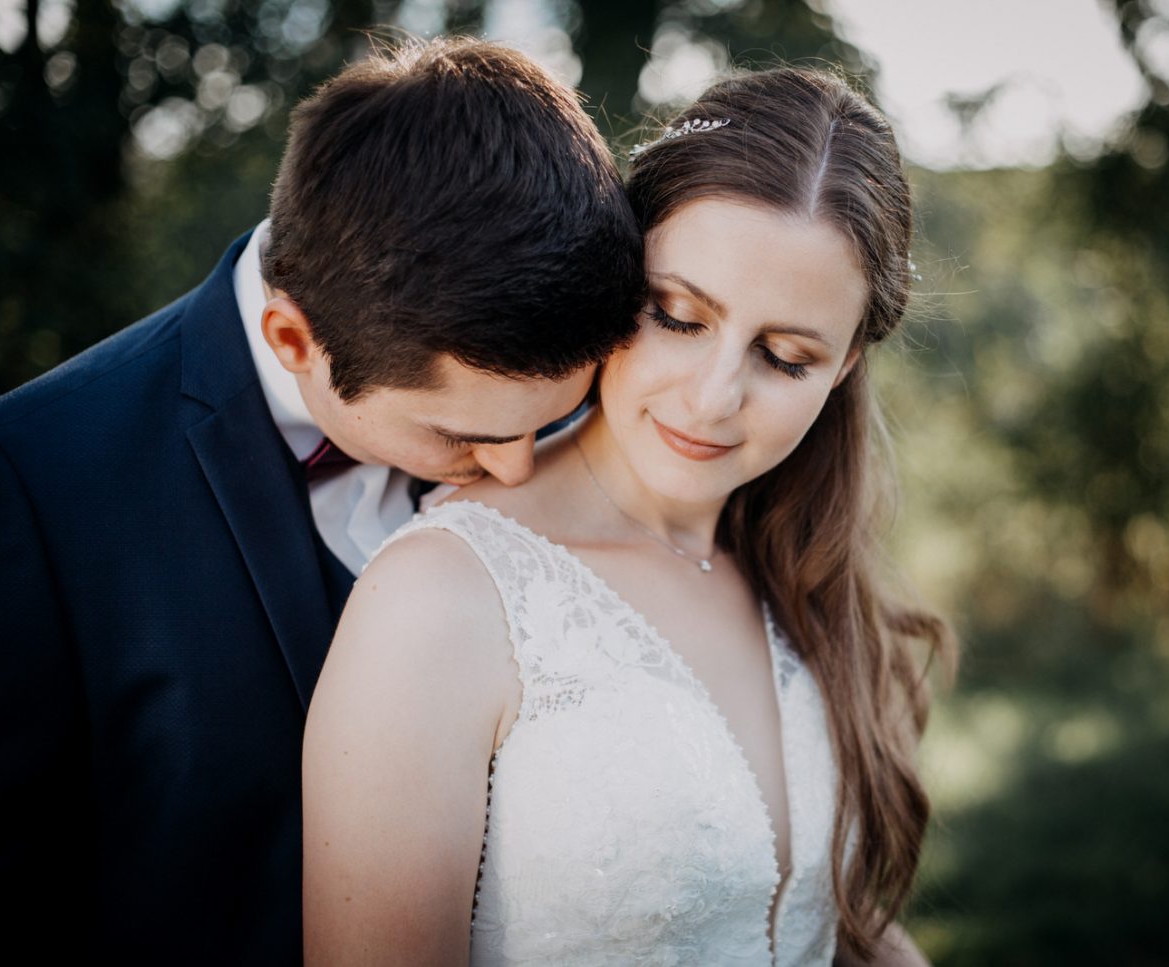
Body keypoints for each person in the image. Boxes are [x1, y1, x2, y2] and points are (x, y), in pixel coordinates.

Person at [0, 38, 642, 961]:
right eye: (460, 435)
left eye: (550, 420)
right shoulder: (33, 486)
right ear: (292, 337)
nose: (519, 470)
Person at [303, 67, 955, 965]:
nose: (713, 397)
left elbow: (822, 920)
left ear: (843, 367)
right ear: (617, 284)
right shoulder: (443, 596)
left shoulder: (799, 570)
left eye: (785, 357)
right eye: (678, 317)